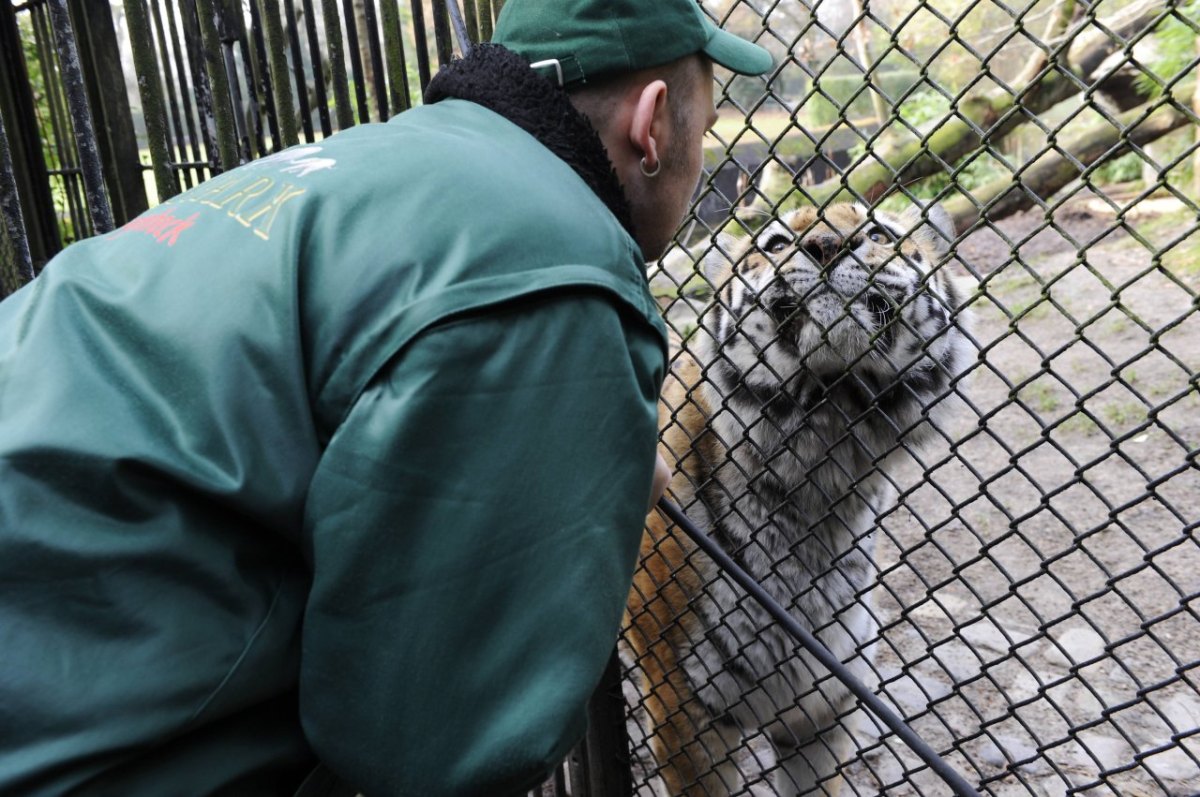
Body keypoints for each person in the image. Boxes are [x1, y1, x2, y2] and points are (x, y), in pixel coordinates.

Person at [0, 1, 770, 794]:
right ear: (653, 125)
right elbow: (432, 743)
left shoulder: (388, 158)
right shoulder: (556, 260)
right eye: (704, 127)